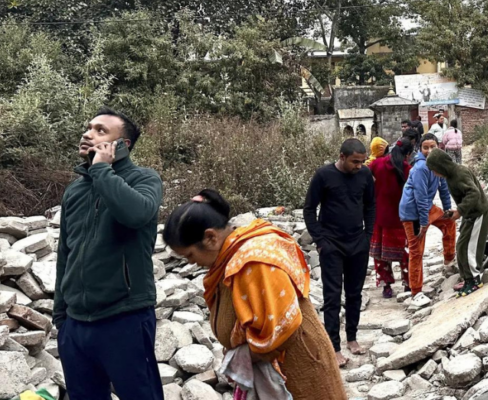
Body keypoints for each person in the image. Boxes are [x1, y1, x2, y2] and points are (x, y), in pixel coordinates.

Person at [164, 190, 346, 399]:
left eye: (190, 255)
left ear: (211, 237)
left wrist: (237, 358)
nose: (190, 262)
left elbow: (279, 330)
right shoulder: (229, 256)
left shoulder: (254, 261)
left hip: (298, 368)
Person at [54, 107, 164, 400]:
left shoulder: (144, 179)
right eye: (89, 127)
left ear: (122, 145)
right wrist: (61, 318)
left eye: (101, 131)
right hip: (75, 326)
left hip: (124, 318)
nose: (88, 133)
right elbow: (65, 252)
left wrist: (101, 168)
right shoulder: (74, 192)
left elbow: (136, 214)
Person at [303, 138, 376, 366]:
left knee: (354, 294)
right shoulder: (324, 176)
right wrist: (320, 239)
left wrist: (368, 236)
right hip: (331, 245)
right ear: (342, 157)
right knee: (332, 297)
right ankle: (333, 347)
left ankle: (352, 338)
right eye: (355, 161)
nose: (359, 166)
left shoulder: (364, 175)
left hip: (358, 243)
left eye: (362, 161)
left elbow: (370, 205)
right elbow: (309, 209)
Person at [399, 133, 457, 306]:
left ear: (439, 147)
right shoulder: (420, 168)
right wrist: (424, 223)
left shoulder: (438, 165)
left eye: (433, 147)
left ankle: (449, 259)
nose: (429, 150)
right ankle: (416, 291)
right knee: (416, 250)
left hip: (426, 207)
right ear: (420, 149)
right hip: (412, 212)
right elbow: (420, 197)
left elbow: (444, 188)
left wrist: (447, 209)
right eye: (426, 147)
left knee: (449, 221)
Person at [427, 148, 488, 297]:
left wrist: (459, 211)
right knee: (461, 245)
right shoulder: (450, 176)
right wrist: (454, 210)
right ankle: (467, 278)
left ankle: (475, 280)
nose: (434, 173)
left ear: (441, 166)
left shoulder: (459, 173)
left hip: (479, 213)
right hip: (470, 214)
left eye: (434, 170)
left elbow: (474, 193)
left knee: (470, 248)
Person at [368, 138, 414, 298]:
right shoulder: (407, 168)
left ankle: (386, 286)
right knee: (405, 253)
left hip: (379, 216)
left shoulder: (376, 164)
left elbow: (364, 179)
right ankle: (408, 283)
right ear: (407, 154)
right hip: (401, 218)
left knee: (380, 255)